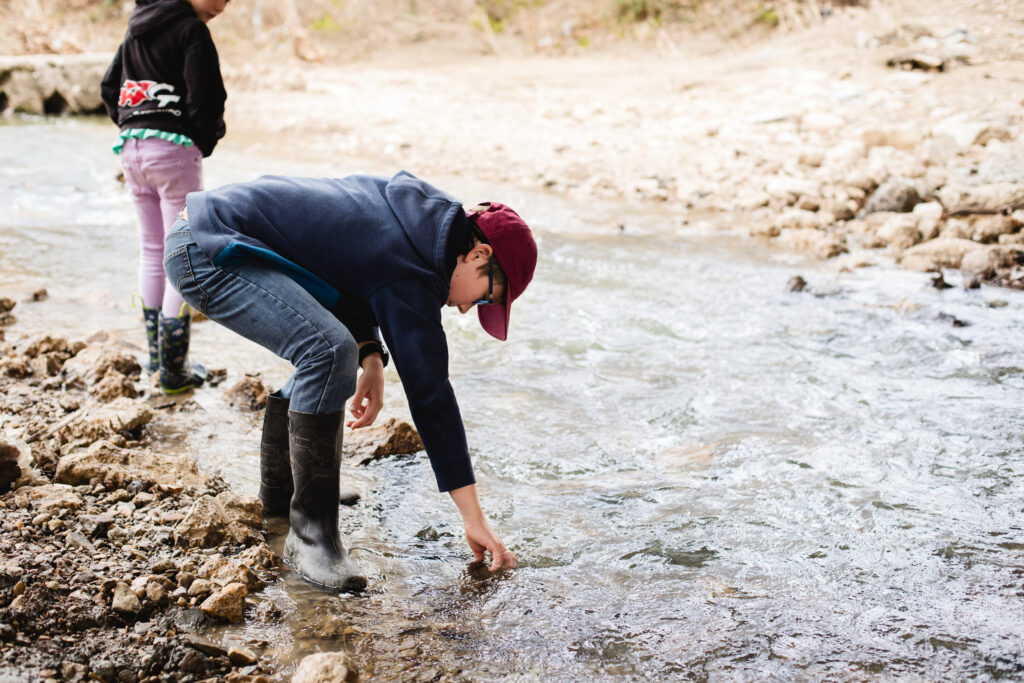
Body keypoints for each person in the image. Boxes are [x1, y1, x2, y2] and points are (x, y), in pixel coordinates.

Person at [162, 171, 538, 591]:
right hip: (207, 252)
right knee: (326, 353)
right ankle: (311, 537)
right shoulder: (414, 266)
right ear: (478, 254)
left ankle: (286, 504)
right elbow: (430, 394)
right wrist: (473, 517)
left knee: (334, 350)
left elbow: (351, 271)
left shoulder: (421, 222)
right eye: (486, 296)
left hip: (209, 233)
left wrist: (372, 357)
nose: (469, 309)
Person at [100, 0, 229, 394]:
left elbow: (109, 87)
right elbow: (206, 97)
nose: (225, 4)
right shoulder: (191, 30)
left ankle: (155, 359)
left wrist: (133, 123)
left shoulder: (136, 27)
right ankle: (175, 370)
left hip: (131, 148)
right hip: (173, 151)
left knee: (151, 248)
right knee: (182, 251)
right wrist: (202, 140)